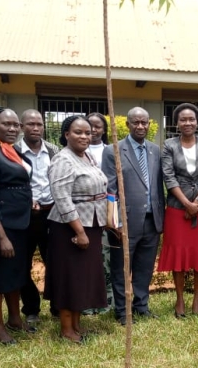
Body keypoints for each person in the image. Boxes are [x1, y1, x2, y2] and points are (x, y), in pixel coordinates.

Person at [45, 115, 108, 342]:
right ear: (66, 135)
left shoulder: (87, 156)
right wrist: (79, 231)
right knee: (69, 278)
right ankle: (66, 329)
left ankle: (77, 324)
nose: (84, 136)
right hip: (69, 229)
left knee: (83, 277)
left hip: (92, 224)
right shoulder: (63, 160)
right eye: (78, 132)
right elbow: (61, 198)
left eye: (88, 133)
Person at [101, 107, 165, 325]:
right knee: (121, 268)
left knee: (144, 267)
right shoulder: (113, 150)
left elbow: (157, 186)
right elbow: (110, 189)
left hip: (151, 220)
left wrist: (161, 217)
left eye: (144, 122)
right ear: (127, 125)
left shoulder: (155, 150)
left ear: (149, 125)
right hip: (125, 222)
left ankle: (141, 306)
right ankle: (121, 311)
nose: (140, 126)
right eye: (136, 122)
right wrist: (115, 222)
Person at [158, 103, 198, 317]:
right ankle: (179, 299)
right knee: (179, 253)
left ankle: (197, 299)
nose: (187, 123)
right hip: (177, 208)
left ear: (197, 122)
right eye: (183, 119)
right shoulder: (169, 145)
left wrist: (197, 202)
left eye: (191, 119)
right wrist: (186, 204)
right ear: (176, 123)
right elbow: (168, 177)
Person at [0, 108, 33, 345]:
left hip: (21, 222)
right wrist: (0, 235)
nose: (13, 129)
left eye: (16, 125)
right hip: (3, 225)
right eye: (6, 124)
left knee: (16, 272)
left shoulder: (11, 149)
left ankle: (15, 318)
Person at [17, 109, 60, 323]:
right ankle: (31, 308)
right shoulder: (13, 151)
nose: (36, 128)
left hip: (51, 215)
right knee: (22, 265)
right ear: (21, 127)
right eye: (30, 124)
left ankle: (57, 306)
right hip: (25, 217)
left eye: (39, 124)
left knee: (55, 262)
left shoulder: (54, 151)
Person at [83, 111, 113, 315]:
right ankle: (85, 302)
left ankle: (106, 301)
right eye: (89, 126)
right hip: (85, 213)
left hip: (106, 211)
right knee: (86, 259)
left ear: (104, 130)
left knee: (106, 258)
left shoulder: (110, 151)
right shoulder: (77, 151)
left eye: (98, 126)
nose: (93, 130)